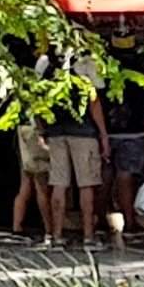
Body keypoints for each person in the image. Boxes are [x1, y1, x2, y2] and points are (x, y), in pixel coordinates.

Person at [38, 59, 109, 248]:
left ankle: (57, 235)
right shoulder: (86, 64)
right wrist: (103, 135)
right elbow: (94, 102)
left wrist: (43, 129)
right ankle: (88, 236)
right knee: (87, 184)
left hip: (56, 133)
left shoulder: (47, 65)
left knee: (58, 183)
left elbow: (39, 101)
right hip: (84, 133)